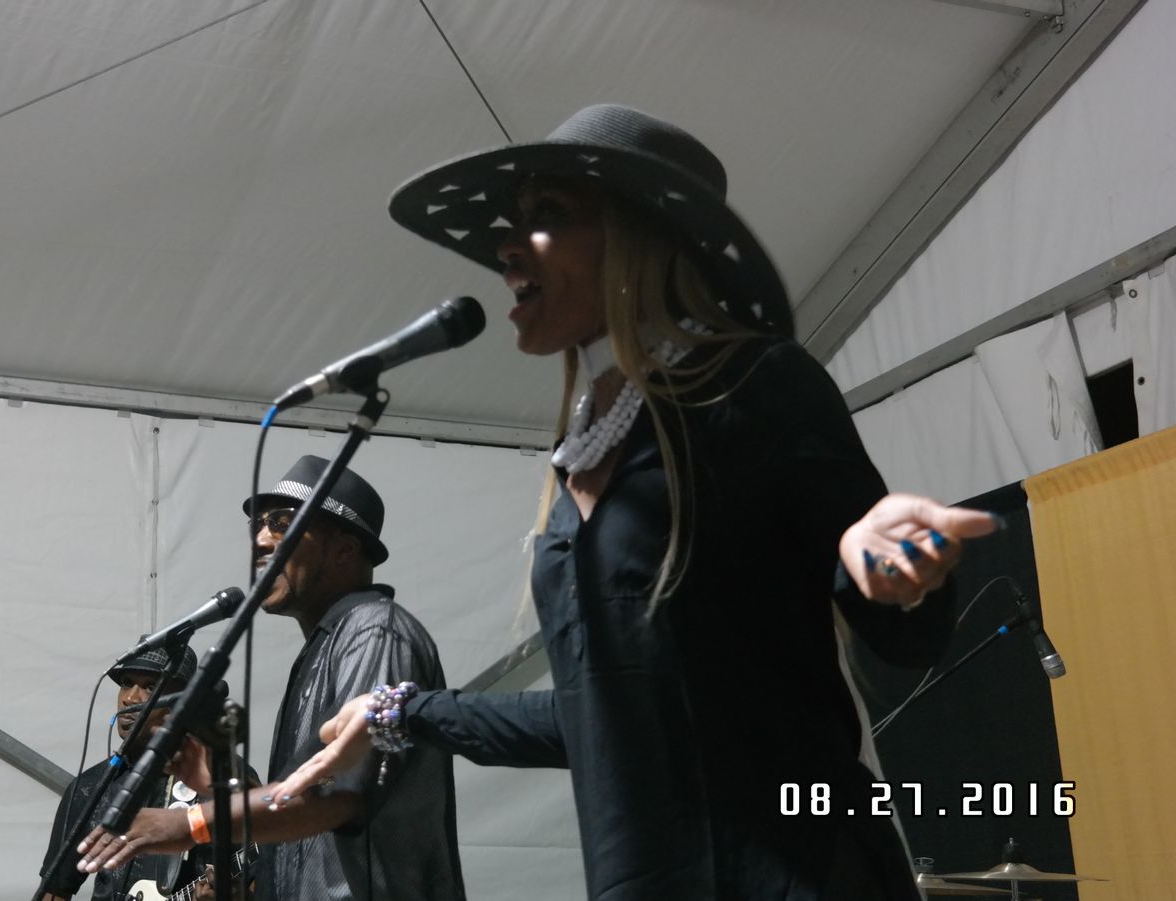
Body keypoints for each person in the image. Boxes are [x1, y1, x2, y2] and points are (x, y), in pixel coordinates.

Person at [269, 104, 999, 900]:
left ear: (640, 236)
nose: (506, 247)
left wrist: (890, 569)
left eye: (549, 214)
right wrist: (398, 712)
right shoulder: (577, 463)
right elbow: (598, 718)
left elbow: (905, 637)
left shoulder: (754, 387)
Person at [75, 456, 466, 901]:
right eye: (257, 525)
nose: (261, 540)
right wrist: (221, 787)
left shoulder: (374, 631)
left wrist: (191, 823)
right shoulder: (322, 649)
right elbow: (305, 809)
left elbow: (342, 796)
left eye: (283, 523)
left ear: (344, 550)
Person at [39, 643, 221, 901]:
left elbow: (260, 880)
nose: (131, 698)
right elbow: (55, 891)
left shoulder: (220, 779)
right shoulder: (90, 788)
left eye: (150, 687)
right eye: (126, 683)